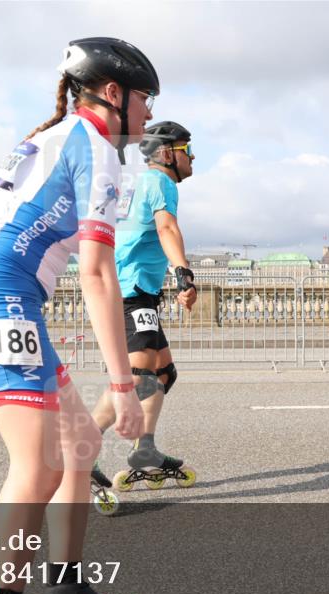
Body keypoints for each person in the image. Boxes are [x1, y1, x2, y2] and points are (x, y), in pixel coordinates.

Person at [0, 37, 159, 594]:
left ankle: (65, 587)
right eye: (144, 98)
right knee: (36, 463)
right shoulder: (95, 144)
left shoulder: (65, 133)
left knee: (79, 447)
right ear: (113, 94)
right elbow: (97, 273)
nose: (147, 113)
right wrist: (123, 386)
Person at [89, 121, 198, 493]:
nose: (192, 156)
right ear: (167, 153)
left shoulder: (136, 183)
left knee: (163, 373)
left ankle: (145, 451)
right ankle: (80, 449)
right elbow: (166, 228)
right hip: (130, 289)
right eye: (186, 148)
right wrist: (184, 273)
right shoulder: (160, 181)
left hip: (135, 289)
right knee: (138, 377)